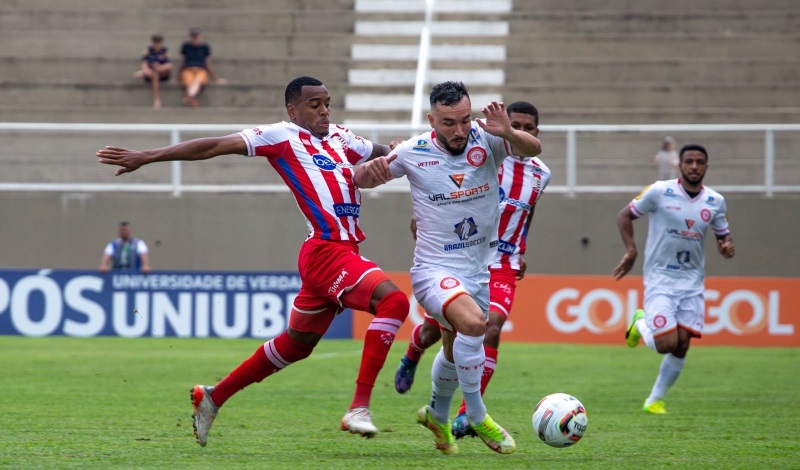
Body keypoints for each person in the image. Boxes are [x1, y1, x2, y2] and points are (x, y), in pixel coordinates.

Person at [97, 76, 410, 445]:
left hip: (338, 253)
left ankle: (213, 397)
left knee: (296, 345)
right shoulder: (280, 136)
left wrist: (398, 149)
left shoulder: (342, 137)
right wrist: (147, 156)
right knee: (394, 301)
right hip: (327, 251)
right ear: (292, 110)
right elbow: (213, 146)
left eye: (326, 102)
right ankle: (359, 406)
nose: (324, 110)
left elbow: (381, 151)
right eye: (314, 105)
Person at [355, 82, 542, 455]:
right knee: (477, 325)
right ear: (431, 120)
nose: (459, 131)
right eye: (448, 123)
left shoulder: (486, 141)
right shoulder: (413, 151)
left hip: (479, 271)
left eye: (464, 121)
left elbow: (534, 148)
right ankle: (476, 413)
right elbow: (360, 180)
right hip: (433, 269)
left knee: (456, 349)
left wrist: (506, 130)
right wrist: (369, 170)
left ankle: (438, 413)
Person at [392, 101, 551, 441]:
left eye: (528, 127)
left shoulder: (540, 173)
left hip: (502, 261)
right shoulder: (490, 150)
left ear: (537, 131)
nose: (520, 130)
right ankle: (414, 352)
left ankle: (467, 415)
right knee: (439, 335)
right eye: (515, 123)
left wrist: (520, 246)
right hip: (459, 257)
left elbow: (527, 211)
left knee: (489, 326)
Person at [613, 143, 735, 415]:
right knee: (665, 344)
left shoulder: (715, 201)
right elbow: (625, 215)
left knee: (681, 346)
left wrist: (726, 244)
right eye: (689, 161)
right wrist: (632, 250)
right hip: (661, 278)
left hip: (693, 283)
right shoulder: (659, 191)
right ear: (679, 165)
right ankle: (641, 322)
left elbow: (722, 232)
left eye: (699, 162)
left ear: (706, 166)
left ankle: (654, 400)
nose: (694, 166)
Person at [179, 27, 226, 107]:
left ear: (200, 36)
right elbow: (182, 61)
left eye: (196, 36)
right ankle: (191, 98)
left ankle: (189, 97)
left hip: (201, 69)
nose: (195, 38)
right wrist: (178, 76)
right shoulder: (186, 46)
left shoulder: (205, 47)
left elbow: (208, 63)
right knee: (189, 81)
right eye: (193, 36)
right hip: (188, 69)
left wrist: (215, 78)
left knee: (198, 80)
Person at [133, 33, 173, 109]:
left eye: (158, 42)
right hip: (151, 72)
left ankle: (142, 73)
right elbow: (143, 63)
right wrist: (146, 69)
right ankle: (156, 99)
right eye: (155, 42)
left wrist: (160, 67)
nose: (157, 44)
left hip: (162, 72)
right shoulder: (148, 50)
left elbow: (168, 64)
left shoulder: (165, 50)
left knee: (168, 67)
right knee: (155, 74)